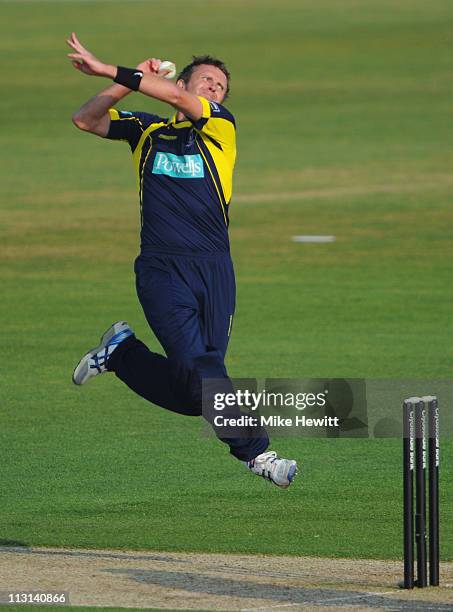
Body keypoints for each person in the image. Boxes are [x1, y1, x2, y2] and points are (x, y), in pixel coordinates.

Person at [67, 33, 297, 488]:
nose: (214, 91)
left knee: (196, 392)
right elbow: (85, 119)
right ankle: (257, 452)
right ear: (185, 81)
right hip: (161, 268)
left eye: (220, 88)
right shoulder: (147, 132)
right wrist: (126, 83)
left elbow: (173, 95)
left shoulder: (220, 129)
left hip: (214, 270)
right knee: (203, 369)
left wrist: (114, 69)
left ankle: (123, 354)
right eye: (207, 82)